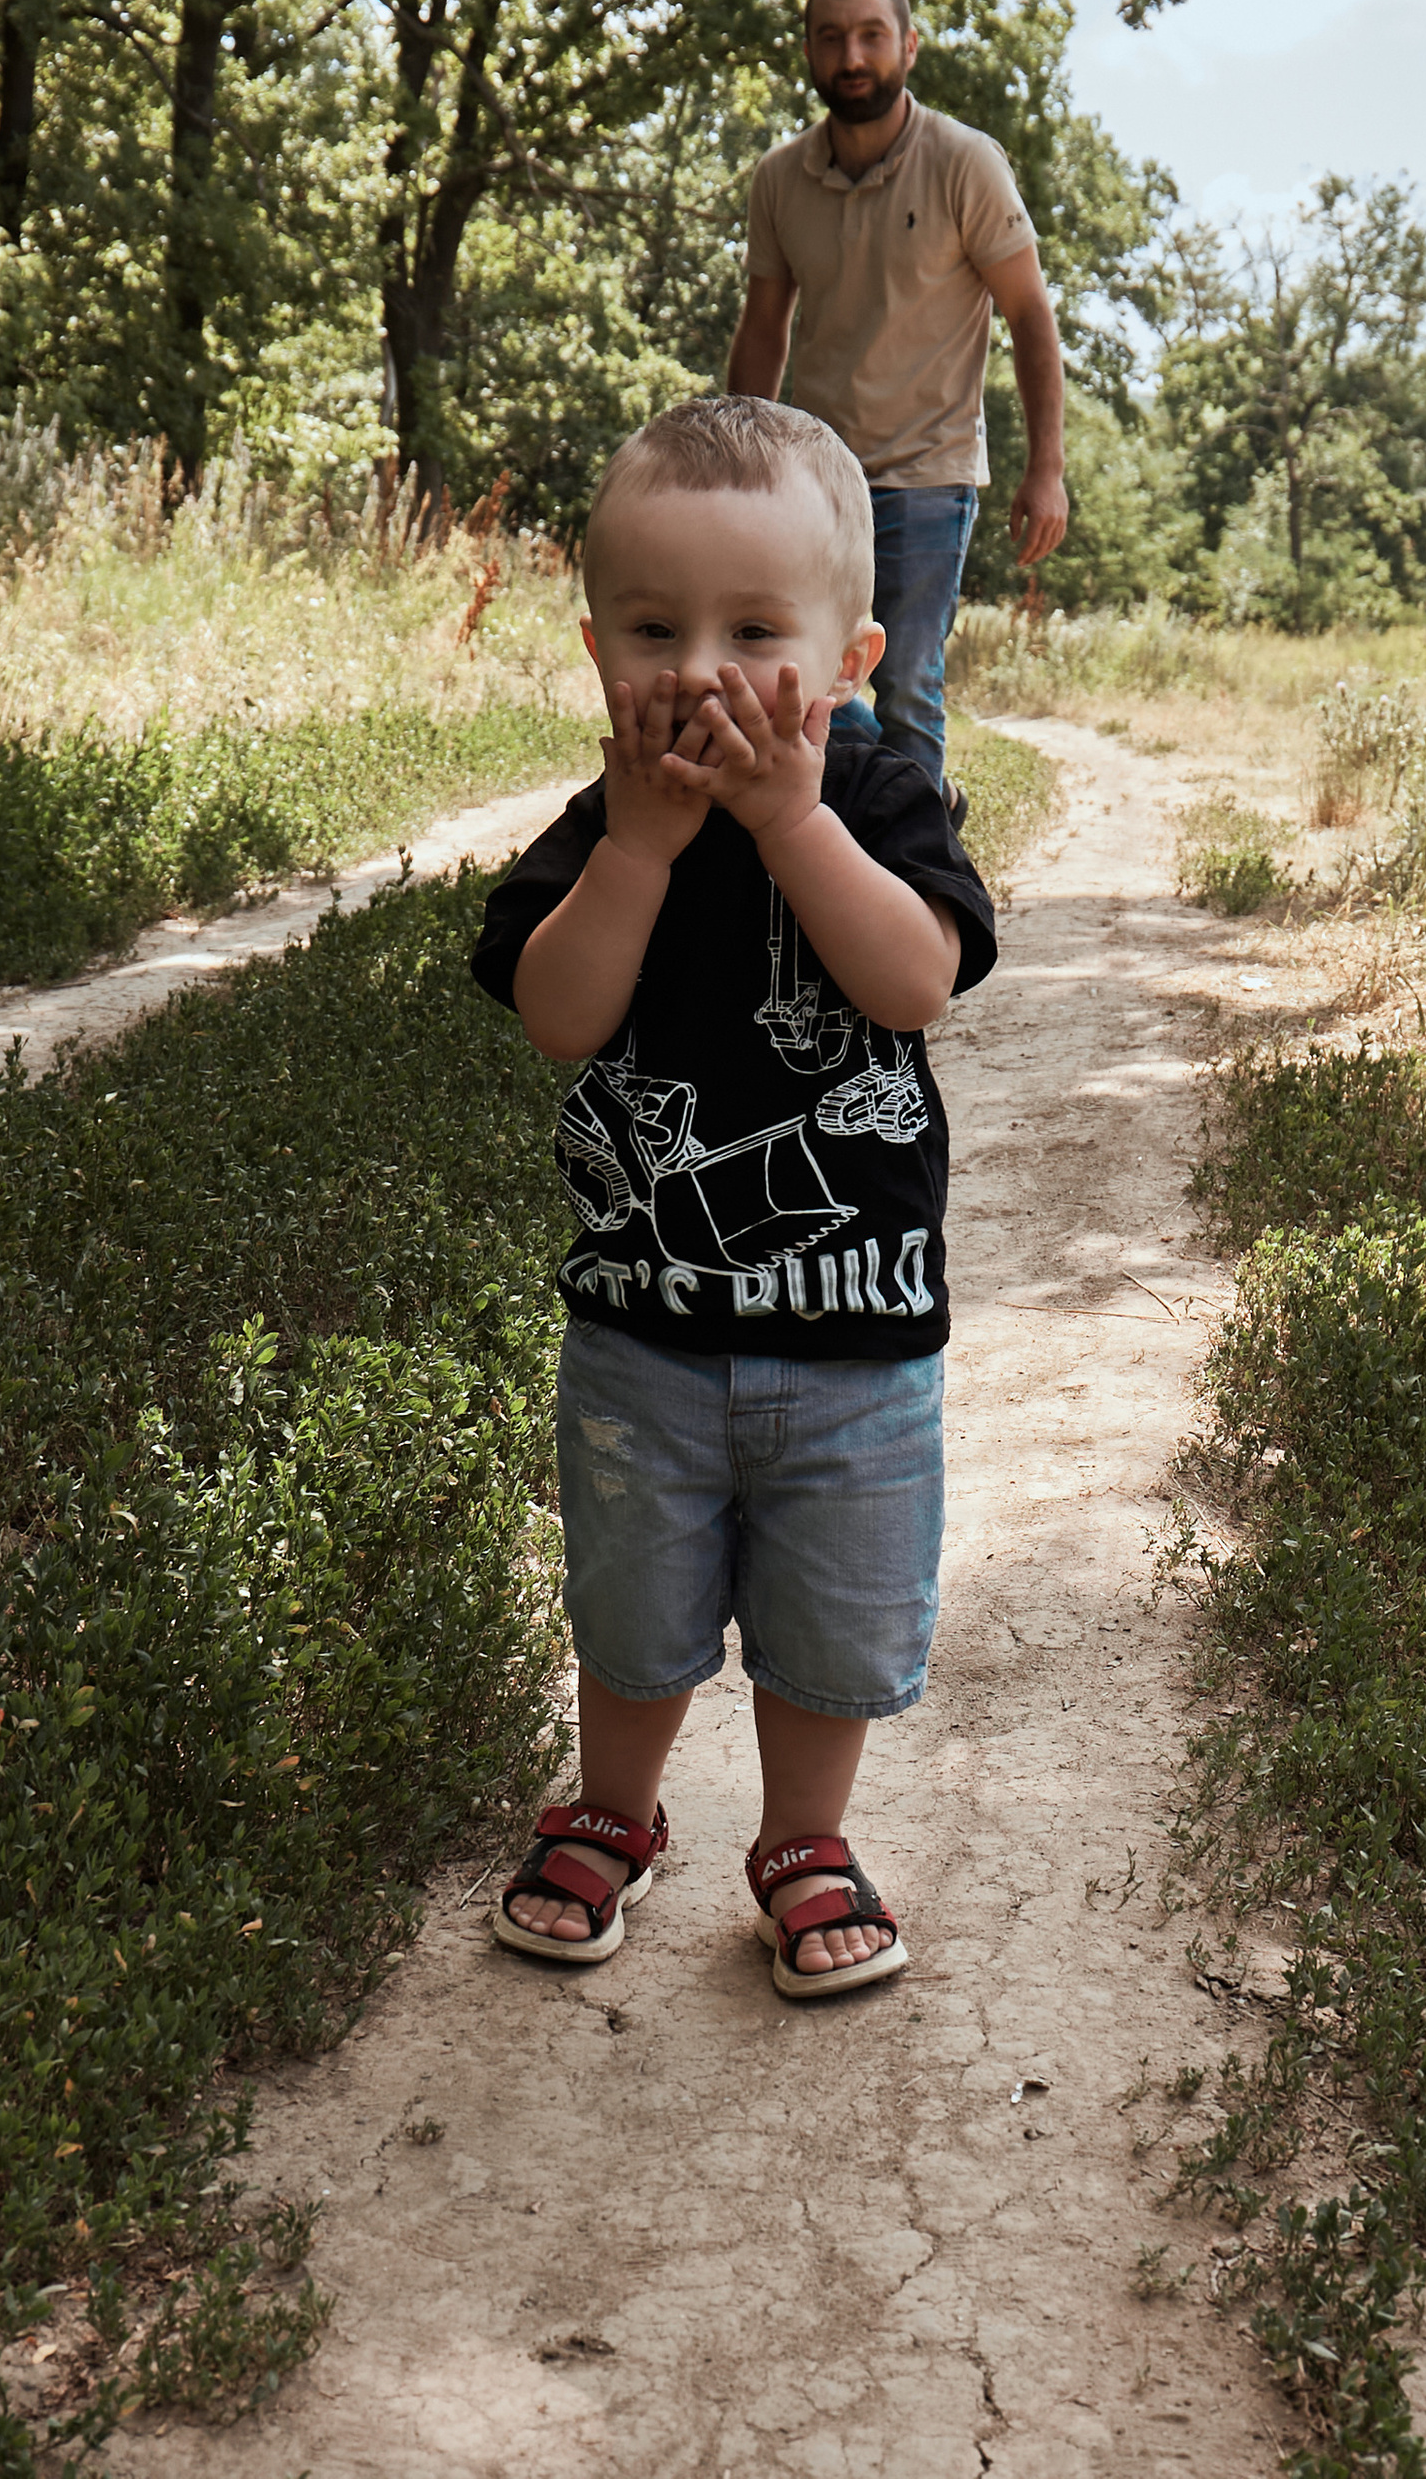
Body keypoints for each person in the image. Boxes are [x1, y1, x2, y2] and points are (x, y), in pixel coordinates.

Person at [469, 395, 997, 1999]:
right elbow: (560, 1017)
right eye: (655, 630)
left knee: (831, 1619)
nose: (700, 672)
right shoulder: (601, 827)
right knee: (635, 1604)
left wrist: (792, 818)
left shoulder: (882, 800)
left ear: (851, 660)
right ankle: (614, 1810)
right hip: (644, 1336)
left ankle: (803, 1843)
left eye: (755, 632)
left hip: (858, 1342)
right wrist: (639, 851)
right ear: (596, 653)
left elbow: (912, 982)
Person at [726, 0, 1067, 793]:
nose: (852, 56)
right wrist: (735, 469)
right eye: (831, 38)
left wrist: (1046, 468)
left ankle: (914, 860)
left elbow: (1030, 314)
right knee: (815, 681)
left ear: (908, 47)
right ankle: (896, 815)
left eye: (871, 36)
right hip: (816, 478)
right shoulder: (779, 178)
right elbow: (764, 328)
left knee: (908, 684)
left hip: (928, 474)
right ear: (809, 52)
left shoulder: (964, 163)